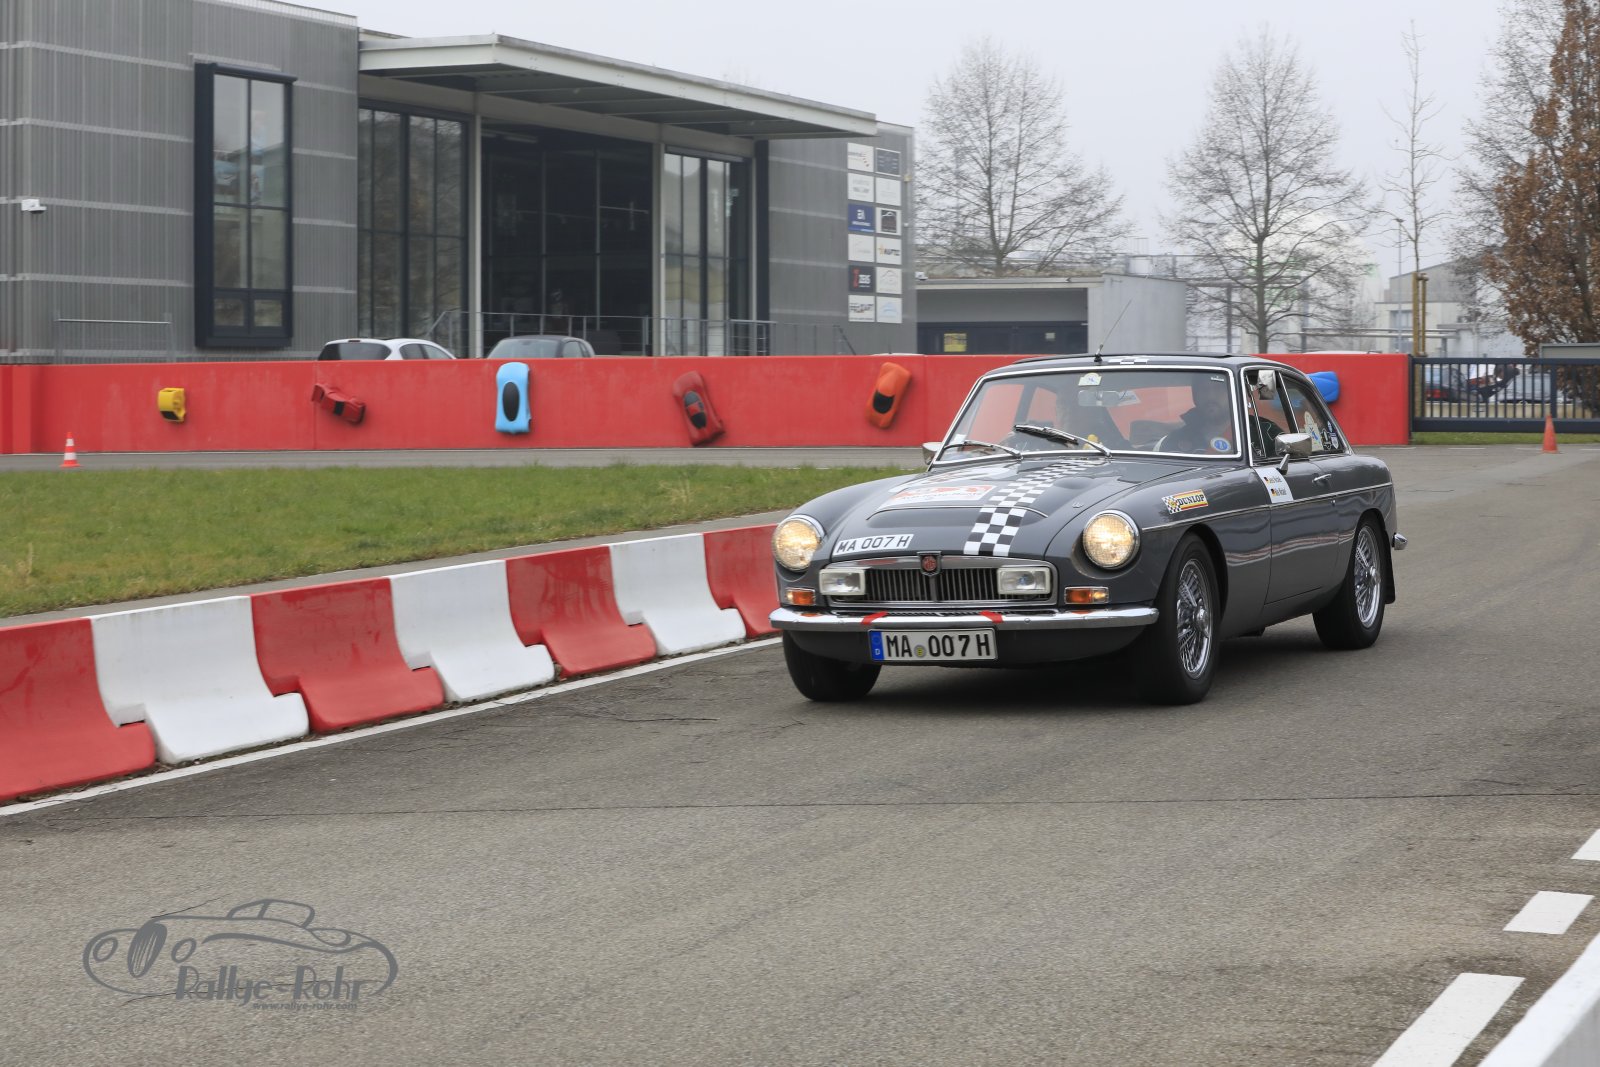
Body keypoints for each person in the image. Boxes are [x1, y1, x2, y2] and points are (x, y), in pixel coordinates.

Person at [1160, 375, 1236, 454]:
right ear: (1195, 396)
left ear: (1231, 394)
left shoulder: (1244, 434)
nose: (1210, 396)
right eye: (1203, 390)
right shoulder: (1176, 439)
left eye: (1218, 389)